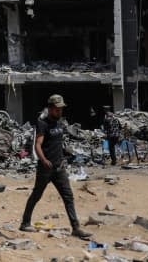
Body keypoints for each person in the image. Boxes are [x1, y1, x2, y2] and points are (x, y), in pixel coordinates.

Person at [20, 95, 92, 240]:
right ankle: (25, 223)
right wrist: (44, 160)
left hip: (59, 168)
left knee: (68, 196)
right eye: (57, 109)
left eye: (61, 109)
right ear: (51, 108)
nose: (60, 111)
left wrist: (64, 157)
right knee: (36, 195)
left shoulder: (60, 123)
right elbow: (38, 145)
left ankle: (76, 228)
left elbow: (58, 144)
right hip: (46, 168)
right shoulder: (42, 123)